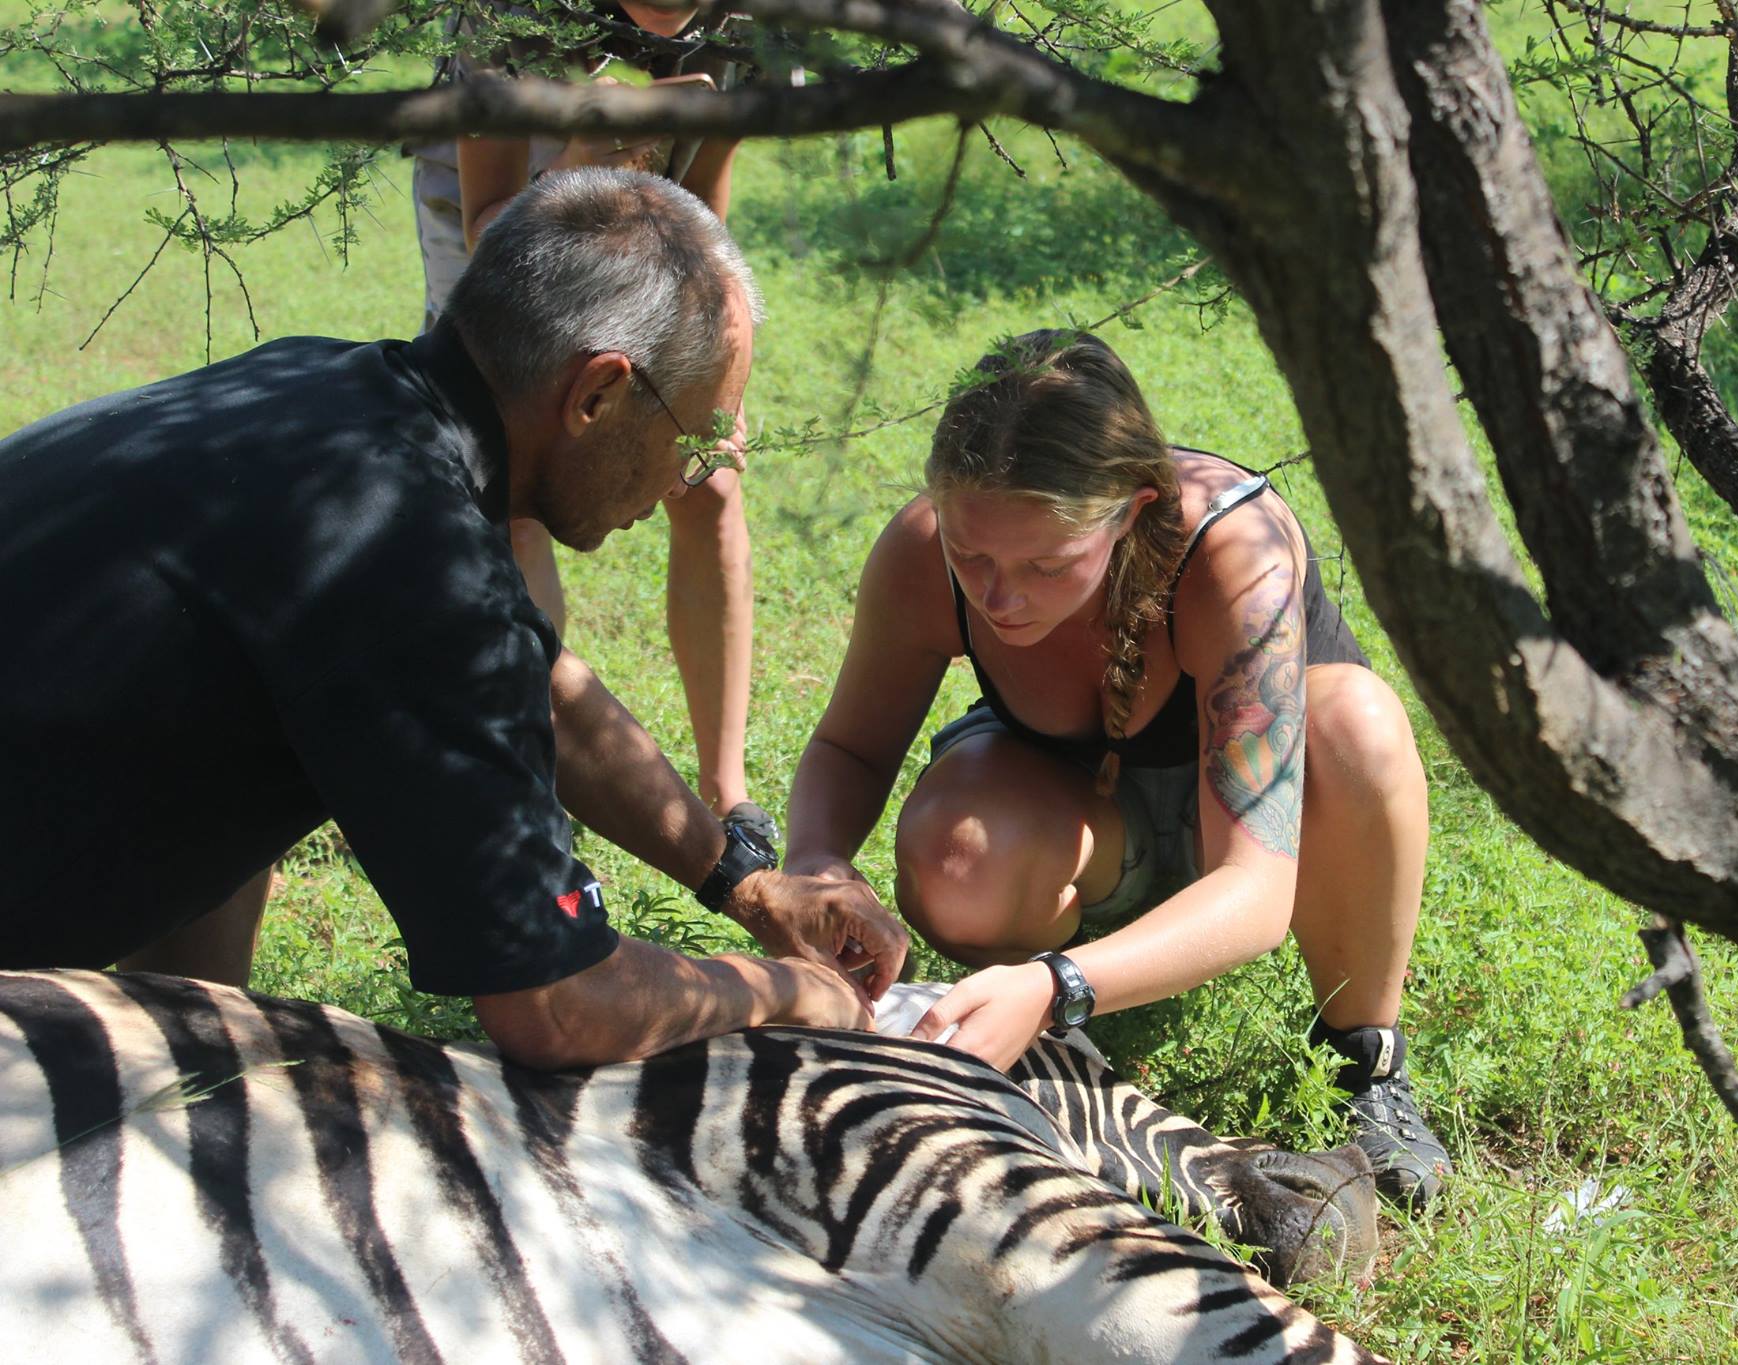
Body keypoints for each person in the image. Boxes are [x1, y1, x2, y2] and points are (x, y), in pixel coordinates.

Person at [0, 168, 907, 1068]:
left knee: (235, 710)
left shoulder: (327, 385)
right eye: (696, 434)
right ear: (597, 395)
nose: (693, 477)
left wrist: (746, 882)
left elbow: (543, 688)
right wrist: (788, 990)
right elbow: (557, 1003)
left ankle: (188, 1055)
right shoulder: (406, 561)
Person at [782, 331, 1450, 1207]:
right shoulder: (921, 551)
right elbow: (849, 748)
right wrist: (817, 866)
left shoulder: (1231, 551)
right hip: (1085, 815)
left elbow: (1255, 891)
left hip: (1273, 824)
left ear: (1132, 511)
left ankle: (1364, 1058)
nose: (999, 596)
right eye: (970, 556)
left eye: (1045, 565)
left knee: (1359, 726)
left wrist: (1057, 984)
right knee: (957, 855)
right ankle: (1055, 1022)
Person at [412, 0, 767, 844]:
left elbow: (704, 202)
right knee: (513, 490)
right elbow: (487, 217)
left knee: (707, 485)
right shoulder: (507, 17)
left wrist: (716, 373)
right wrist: (578, 159)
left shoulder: (746, 22)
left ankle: (729, 790)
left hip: (659, 225)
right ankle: (523, 766)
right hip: (498, 223)